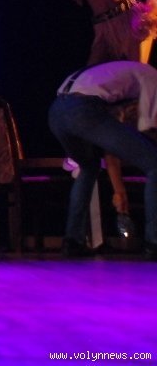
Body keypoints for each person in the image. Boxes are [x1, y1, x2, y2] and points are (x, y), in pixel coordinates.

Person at [0, 0, 157, 230]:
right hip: (102, 30)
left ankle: (145, 130)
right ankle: (84, 147)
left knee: (139, 78)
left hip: (131, 20)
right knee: (85, 86)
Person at [47, 61, 157, 259]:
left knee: (89, 167)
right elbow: (147, 126)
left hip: (56, 112)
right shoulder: (152, 75)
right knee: (154, 164)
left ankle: (73, 241)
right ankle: (153, 242)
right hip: (83, 110)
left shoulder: (115, 70)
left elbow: (111, 141)